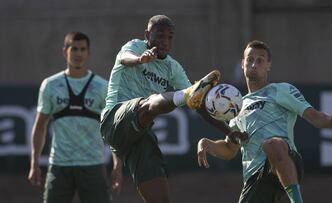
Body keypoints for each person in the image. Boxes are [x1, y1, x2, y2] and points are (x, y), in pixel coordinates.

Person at [197, 40, 332, 203]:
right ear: (243, 64)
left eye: (260, 60)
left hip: (286, 159)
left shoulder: (281, 90)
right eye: (250, 59)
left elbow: (315, 117)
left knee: (272, 145)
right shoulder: (237, 107)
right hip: (255, 176)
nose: (254, 64)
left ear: (268, 65)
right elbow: (230, 149)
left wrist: (331, 120)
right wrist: (208, 144)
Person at [100, 14, 234, 203]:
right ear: (147, 34)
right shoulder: (135, 47)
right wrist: (140, 59)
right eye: (160, 36)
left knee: (160, 197)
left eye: (169, 37)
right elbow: (125, 59)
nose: (165, 41)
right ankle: (185, 94)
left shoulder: (173, 67)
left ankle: (186, 94)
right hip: (114, 120)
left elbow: (199, 106)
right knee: (148, 104)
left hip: (140, 133)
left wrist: (229, 131)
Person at [28, 31, 122, 203]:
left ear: (88, 52)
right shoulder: (50, 85)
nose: (78, 54)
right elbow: (40, 125)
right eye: (74, 49)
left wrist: (117, 164)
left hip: (92, 164)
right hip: (59, 166)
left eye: (82, 49)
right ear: (65, 52)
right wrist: (34, 162)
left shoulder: (102, 87)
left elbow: (111, 128)